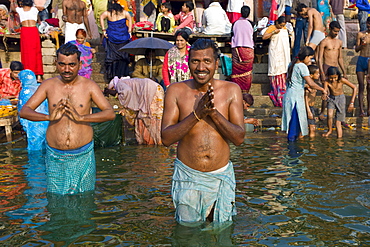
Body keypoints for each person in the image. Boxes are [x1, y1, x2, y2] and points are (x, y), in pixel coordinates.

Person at [161, 39, 245, 224]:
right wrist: (196, 114)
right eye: (195, 61)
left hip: (221, 176)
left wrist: (213, 114)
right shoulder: (176, 90)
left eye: (207, 61)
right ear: (188, 63)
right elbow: (166, 138)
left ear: (216, 63)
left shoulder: (232, 90)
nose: (201, 67)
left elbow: (239, 138)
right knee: (187, 234)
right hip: (187, 177)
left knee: (220, 233)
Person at [19, 43, 116, 195]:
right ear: (55, 63)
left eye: (71, 65)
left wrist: (81, 117)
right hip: (55, 155)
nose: (67, 69)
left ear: (79, 64)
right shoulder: (48, 85)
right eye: (62, 64)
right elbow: (24, 111)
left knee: (84, 200)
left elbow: (110, 113)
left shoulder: (89, 86)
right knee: (56, 200)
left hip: (83, 155)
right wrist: (48, 117)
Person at [281, 46, 327, 142]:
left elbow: (294, 80)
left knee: (292, 122)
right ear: (306, 57)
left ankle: (292, 147)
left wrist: (304, 86)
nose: (310, 60)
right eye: (310, 58)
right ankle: (293, 150)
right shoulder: (302, 66)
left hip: (289, 95)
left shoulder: (291, 64)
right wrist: (322, 89)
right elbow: (311, 83)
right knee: (294, 124)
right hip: (296, 98)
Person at [104, 76, 164, 145]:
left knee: (147, 118)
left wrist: (116, 95)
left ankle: (150, 143)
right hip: (157, 89)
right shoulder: (130, 82)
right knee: (156, 117)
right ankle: (158, 141)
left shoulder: (119, 84)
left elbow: (127, 91)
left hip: (150, 91)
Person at [262, 16, 291, 107]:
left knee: (283, 72)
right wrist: (274, 32)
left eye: (283, 25)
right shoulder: (272, 28)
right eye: (280, 25)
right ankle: (277, 96)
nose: (281, 27)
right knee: (275, 71)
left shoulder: (285, 29)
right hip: (275, 54)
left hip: (284, 55)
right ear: (277, 22)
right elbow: (264, 37)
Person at [18, 70, 49, 151]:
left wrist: (25, 127)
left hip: (33, 126)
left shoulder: (25, 91)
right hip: (47, 122)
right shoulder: (41, 87)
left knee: (35, 153)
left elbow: (22, 112)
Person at [100, 2, 132, 82]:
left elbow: (101, 17)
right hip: (122, 37)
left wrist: (103, 30)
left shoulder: (108, 13)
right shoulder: (124, 13)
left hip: (114, 37)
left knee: (113, 58)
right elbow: (130, 19)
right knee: (122, 57)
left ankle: (112, 76)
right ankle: (121, 75)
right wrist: (130, 30)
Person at [322, 66, 357, 138]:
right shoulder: (327, 81)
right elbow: (325, 90)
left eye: (335, 77)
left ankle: (339, 138)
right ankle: (330, 130)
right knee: (329, 114)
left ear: (338, 76)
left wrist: (352, 102)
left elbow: (355, 88)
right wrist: (324, 94)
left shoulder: (342, 80)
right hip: (331, 98)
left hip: (340, 99)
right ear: (328, 76)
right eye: (331, 78)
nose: (333, 80)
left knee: (338, 121)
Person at [15, 0, 44, 82]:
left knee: (26, 53)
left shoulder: (19, 10)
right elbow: (39, 18)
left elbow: (12, 7)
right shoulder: (35, 9)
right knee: (36, 53)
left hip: (25, 31)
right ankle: (38, 76)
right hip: (33, 31)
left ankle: (29, 74)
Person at [230, 6, 254, 94]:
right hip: (248, 50)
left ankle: (237, 91)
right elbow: (254, 36)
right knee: (247, 73)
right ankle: (245, 91)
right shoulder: (252, 24)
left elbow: (231, 34)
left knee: (236, 71)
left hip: (237, 49)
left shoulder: (235, 23)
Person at [355, 17, 370, 117]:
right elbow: (356, 49)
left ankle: (369, 109)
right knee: (361, 86)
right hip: (361, 59)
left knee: (369, 87)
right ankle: (361, 110)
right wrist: (362, 44)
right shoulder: (360, 34)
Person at [304, 65, 321, 138]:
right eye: (317, 74)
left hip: (311, 108)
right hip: (307, 108)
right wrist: (309, 111)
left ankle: (311, 146)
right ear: (311, 75)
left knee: (312, 128)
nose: (319, 75)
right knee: (306, 129)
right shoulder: (308, 85)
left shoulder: (314, 84)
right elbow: (305, 98)